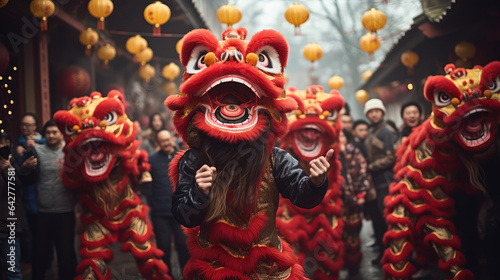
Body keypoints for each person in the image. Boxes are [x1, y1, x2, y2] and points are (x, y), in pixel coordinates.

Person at [24, 120, 78, 280]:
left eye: (54, 132)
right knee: (39, 255)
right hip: (43, 212)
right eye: (48, 133)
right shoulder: (37, 151)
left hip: (65, 212)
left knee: (66, 255)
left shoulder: (69, 151)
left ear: (61, 133)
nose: (51, 135)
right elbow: (27, 178)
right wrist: (26, 166)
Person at [147, 130, 189, 277]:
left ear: (172, 139)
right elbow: (145, 186)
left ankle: (187, 275)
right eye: (162, 141)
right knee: (163, 249)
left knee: (183, 246)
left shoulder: (182, 157)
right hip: (160, 213)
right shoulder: (150, 160)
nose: (165, 143)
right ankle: (166, 276)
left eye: (167, 140)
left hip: (180, 212)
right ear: (158, 143)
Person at [363, 98, 399, 265]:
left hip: (387, 180)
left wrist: (372, 166)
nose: (373, 114)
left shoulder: (387, 131)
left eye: (376, 111)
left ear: (382, 112)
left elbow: (392, 156)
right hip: (376, 181)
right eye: (370, 112)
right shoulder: (372, 131)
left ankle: (396, 255)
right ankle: (386, 254)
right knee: (379, 219)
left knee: (388, 219)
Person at [338, 129, 374, 275]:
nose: (339, 138)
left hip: (352, 200)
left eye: (342, 136)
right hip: (336, 201)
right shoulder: (328, 152)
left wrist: (361, 194)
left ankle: (354, 265)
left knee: (352, 232)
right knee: (338, 233)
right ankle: (343, 261)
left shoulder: (354, 152)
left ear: (347, 138)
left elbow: (363, 173)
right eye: (337, 135)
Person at [13, 113, 44, 265]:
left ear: (35, 127)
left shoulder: (45, 142)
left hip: (43, 195)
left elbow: (42, 167)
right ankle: (33, 262)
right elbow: (16, 170)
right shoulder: (16, 146)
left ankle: (46, 261)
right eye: (23, 125)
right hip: (25, 196)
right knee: (28, 232)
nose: (26, 128)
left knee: (43, 234)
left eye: (29, 125)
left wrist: (34, 149)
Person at [0, 132, 27, 280]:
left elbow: (16, 187)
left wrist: (8, 169)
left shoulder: (14, 163)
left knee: (12, 271)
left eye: (4, 144)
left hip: (9, 228)